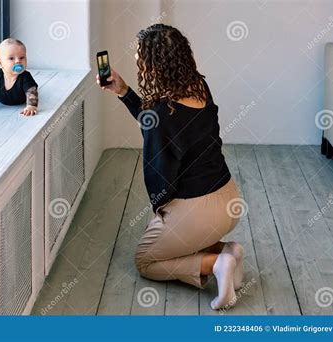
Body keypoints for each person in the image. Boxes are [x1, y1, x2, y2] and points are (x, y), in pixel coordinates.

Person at [97, 24, 245, 310]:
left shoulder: (162, 112)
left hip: (201, 211)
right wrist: (124, 91)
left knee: (146, 261)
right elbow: (159, 124)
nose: (139, 64)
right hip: (229, 198)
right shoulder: (199, 87)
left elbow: (158, 173)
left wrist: (160, 212)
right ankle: (226, 250)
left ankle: (217, 263)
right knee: (174, 236)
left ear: (153, 65)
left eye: (141, 58)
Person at [0, 38, 39, 116]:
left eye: (22, 57)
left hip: (12, 98)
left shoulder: (26, 77)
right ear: (0, 63)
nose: (18, 61)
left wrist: (31, 106)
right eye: (11, 58)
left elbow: (32, 92)